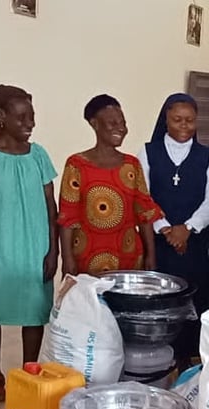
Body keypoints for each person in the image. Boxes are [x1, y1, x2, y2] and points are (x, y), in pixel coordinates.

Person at [0, 85, 58, 402]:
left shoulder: (39, 154)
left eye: (32, 117)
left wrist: (53, 250)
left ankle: (29, 369)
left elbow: (50, 206)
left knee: (33, 311)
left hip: (34, 245)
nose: (29, 123)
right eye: (21, 117)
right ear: (2, 117)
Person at [138, 93, 209, 366]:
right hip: (159, 246)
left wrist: (187, 228)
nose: (184, 126)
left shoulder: (208, 156)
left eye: (190, 120)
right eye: (177, 120)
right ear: (166, 119)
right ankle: (158, 359)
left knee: (193, 304)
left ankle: (187, 360)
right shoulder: (148, 152)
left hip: (194, 247)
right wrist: (165, 229)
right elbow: (143, 196)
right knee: (160, 303)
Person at [58, 95, 162, 275]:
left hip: (128, 257)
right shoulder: (76, 164)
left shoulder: (132, 165)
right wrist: (67, 259)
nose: (120, 128)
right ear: (94, 124)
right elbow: (68, 216)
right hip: (87, 258)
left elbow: (144, 213)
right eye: (112, 123)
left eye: (123, 123)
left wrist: (150, 255)